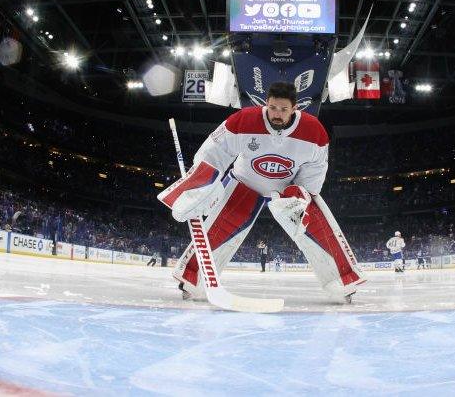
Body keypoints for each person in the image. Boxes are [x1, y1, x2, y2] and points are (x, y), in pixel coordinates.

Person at [157, 82, 366, 303]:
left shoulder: (315, 131)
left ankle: (343, 281)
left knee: (316, 225)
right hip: (245, 184)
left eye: (284, 110)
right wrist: (200, 184)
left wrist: (301, 194)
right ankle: (193, 279)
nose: (277, 114)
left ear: (295, 108)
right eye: (273, 107)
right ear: (267, 102)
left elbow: (315, 171)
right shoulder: (243, 120)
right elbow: (213, 153)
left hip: (288, 190)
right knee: (218, 229)